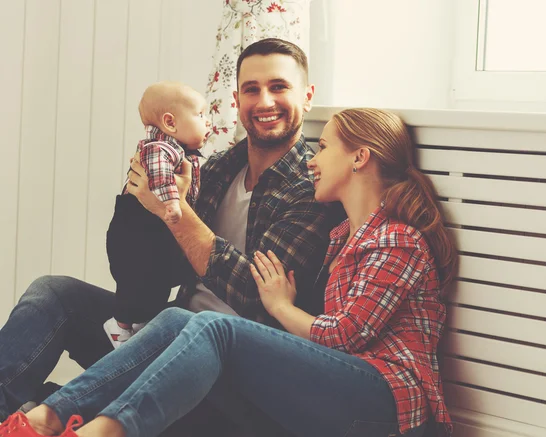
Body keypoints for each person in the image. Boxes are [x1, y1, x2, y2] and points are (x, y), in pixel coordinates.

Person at [0, 108, 458, 437]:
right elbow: (143, 282)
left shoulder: (397, 238)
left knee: (216, 328)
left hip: (394, 405)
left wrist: (280, 306)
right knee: (181, 319)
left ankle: (102, 433)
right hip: (337, 385)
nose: (315, 160)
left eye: (324, 148)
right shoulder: (342, 235)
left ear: (360, 158)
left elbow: (344, 336)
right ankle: (43, 421)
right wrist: (150, 207)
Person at [0, 38, 340, 435]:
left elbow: (257, 299)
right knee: (54, 292)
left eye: (279, 86)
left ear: (308, 95)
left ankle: (49, 417)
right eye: (252, 89)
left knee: (179, 321)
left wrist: (175, 214)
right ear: (237, 99)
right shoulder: (214, 168)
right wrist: (138, 209)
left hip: (227, 371)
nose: (264, 100)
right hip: (156, 335)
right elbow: (147, 272)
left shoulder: (313, 186)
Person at [103, 81, 209, 348]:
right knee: (137, 281)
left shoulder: (184, 153)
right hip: (137, 229)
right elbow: (161, 181)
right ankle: (121, 326)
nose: (207, 122)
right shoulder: (159, 149)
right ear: (170, 123)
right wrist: (173, 203)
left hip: (155, 231)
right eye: (200, 115)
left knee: (154, 285)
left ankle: (136, 325)